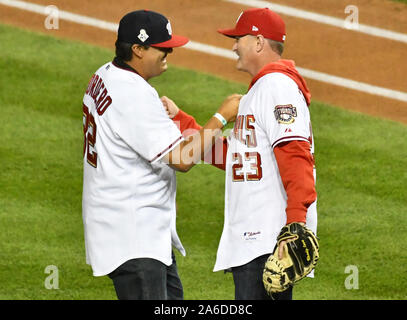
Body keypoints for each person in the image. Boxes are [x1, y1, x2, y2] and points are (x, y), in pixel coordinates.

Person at [81, 9, 240, 300]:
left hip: (135, 231)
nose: (169, 51)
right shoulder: (133, 95)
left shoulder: (104, 74)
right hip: (133, 234)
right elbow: (182, 159)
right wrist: (221, 116)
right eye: (162, 48)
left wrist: (178, 117)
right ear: (138, 50)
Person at [165, 8, 318, 300]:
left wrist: (295, 224)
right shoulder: (259, 91)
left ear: (259, 42)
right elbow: (238, 158)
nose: (234, 46)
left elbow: (296, 157)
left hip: (270, 239)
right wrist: (183, 121)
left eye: (239, 39)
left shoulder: (277, 88)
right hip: (254, 241)